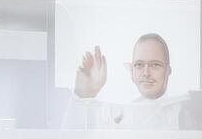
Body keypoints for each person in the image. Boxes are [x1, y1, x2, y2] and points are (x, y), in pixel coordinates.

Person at [62, 32, 194, 130]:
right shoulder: (115, 114)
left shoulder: (185, 115)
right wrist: (83, 95)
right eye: (139, 65)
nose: (146, 73)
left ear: (168, 70)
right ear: (131, 72)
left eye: (155, 65)